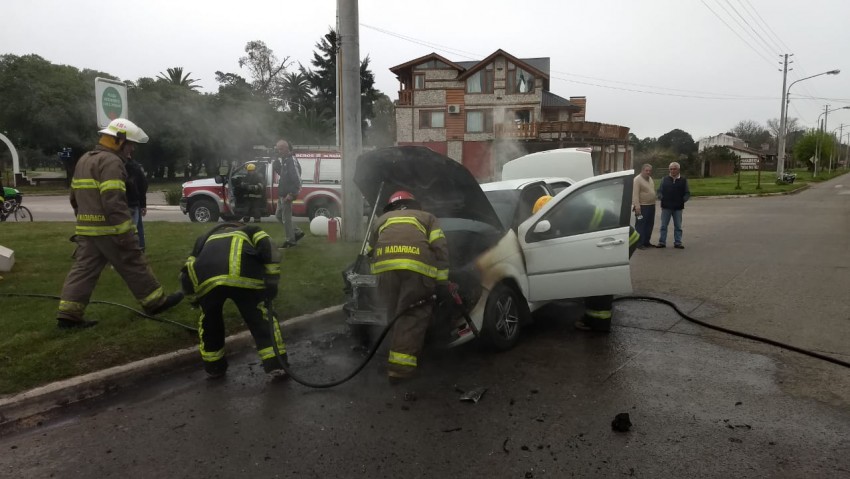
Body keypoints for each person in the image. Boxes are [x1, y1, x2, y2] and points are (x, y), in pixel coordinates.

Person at [56, 118, 183, 329]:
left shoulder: (84, 160)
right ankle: (155, 303)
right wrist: (126, 233)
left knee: (83, 270)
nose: (132, 150)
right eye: (130, 144)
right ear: (119, 141)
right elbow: (113, 201)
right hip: (110, 229)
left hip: (87, 230)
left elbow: (74, 198)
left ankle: (68, 315)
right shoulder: (111, 162)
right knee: (133, 262)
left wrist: (84, 220)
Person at [179, 224, 285, 378]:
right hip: (243, 277)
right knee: (259, 318)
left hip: (208, 281)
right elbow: (269, 248)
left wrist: (194, 298)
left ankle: (214, 367)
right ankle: (275, 365)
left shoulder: (204, 239)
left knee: (210, 322)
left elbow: (187, 269)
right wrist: (272, 281)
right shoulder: (251, 230)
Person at [367, 190, 449, 383]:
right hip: (418, 270)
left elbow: (370, 250)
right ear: (414, 204)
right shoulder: (427, 217)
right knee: (412, 315)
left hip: (384, 270)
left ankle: (393, 350)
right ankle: (400, 369)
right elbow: (441, 249)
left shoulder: (382, 219)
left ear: (392, 206)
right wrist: (442, 281)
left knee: (395, 312)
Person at [532, 194, 639, 333]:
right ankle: (597, 316)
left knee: (599, 280)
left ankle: (599, 323)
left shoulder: (570, 218)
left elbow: (570, 243)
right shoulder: (569, 210)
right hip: (618, 238)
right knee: (598, 278)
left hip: (623, 240)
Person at [273, 140, 304, 248]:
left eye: (281, 149)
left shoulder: (291, 160)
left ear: (287, 148)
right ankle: (297, 232)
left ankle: (290, 241)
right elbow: (283, 174)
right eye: (278, 149)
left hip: (288, 194)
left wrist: (292, 193)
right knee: (278, 215)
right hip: (282, 193)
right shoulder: (285, 160)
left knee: (286, 218)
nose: (279, 151)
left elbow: (297, 178)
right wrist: (276, 163)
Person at [656, 161, 690, 249]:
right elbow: (659, 191)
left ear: (678, 169)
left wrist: (682, 200)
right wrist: (661, 197)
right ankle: (662, 242)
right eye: (671, 169)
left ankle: (678, 242)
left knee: (678, 226)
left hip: (678, 208)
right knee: (663, 226)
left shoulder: (683, 180)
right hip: (666, 207)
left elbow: (687, 193)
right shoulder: (664, 179)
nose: (672, 171)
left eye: (674, 169)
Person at [125, 157, 148, 252]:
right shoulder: (136, 167)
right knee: (137, 228)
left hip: (123, 202)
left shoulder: (115, 166)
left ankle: (129, 251)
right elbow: (143, 185)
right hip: (134, 202)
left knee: (127, 229)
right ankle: (140, 248)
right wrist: (143, 204)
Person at [632, 163, 656, 249]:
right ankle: (639, 243)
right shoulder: (637, 180)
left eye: (649, 171)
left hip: (651, 205)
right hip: (642, 207)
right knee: (641, 225)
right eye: (646, 170)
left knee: (649, 225)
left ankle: (646, 242)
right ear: (642, 170)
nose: (648, 172)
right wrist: (637, 206)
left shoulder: (650, 179)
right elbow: (635, 194)